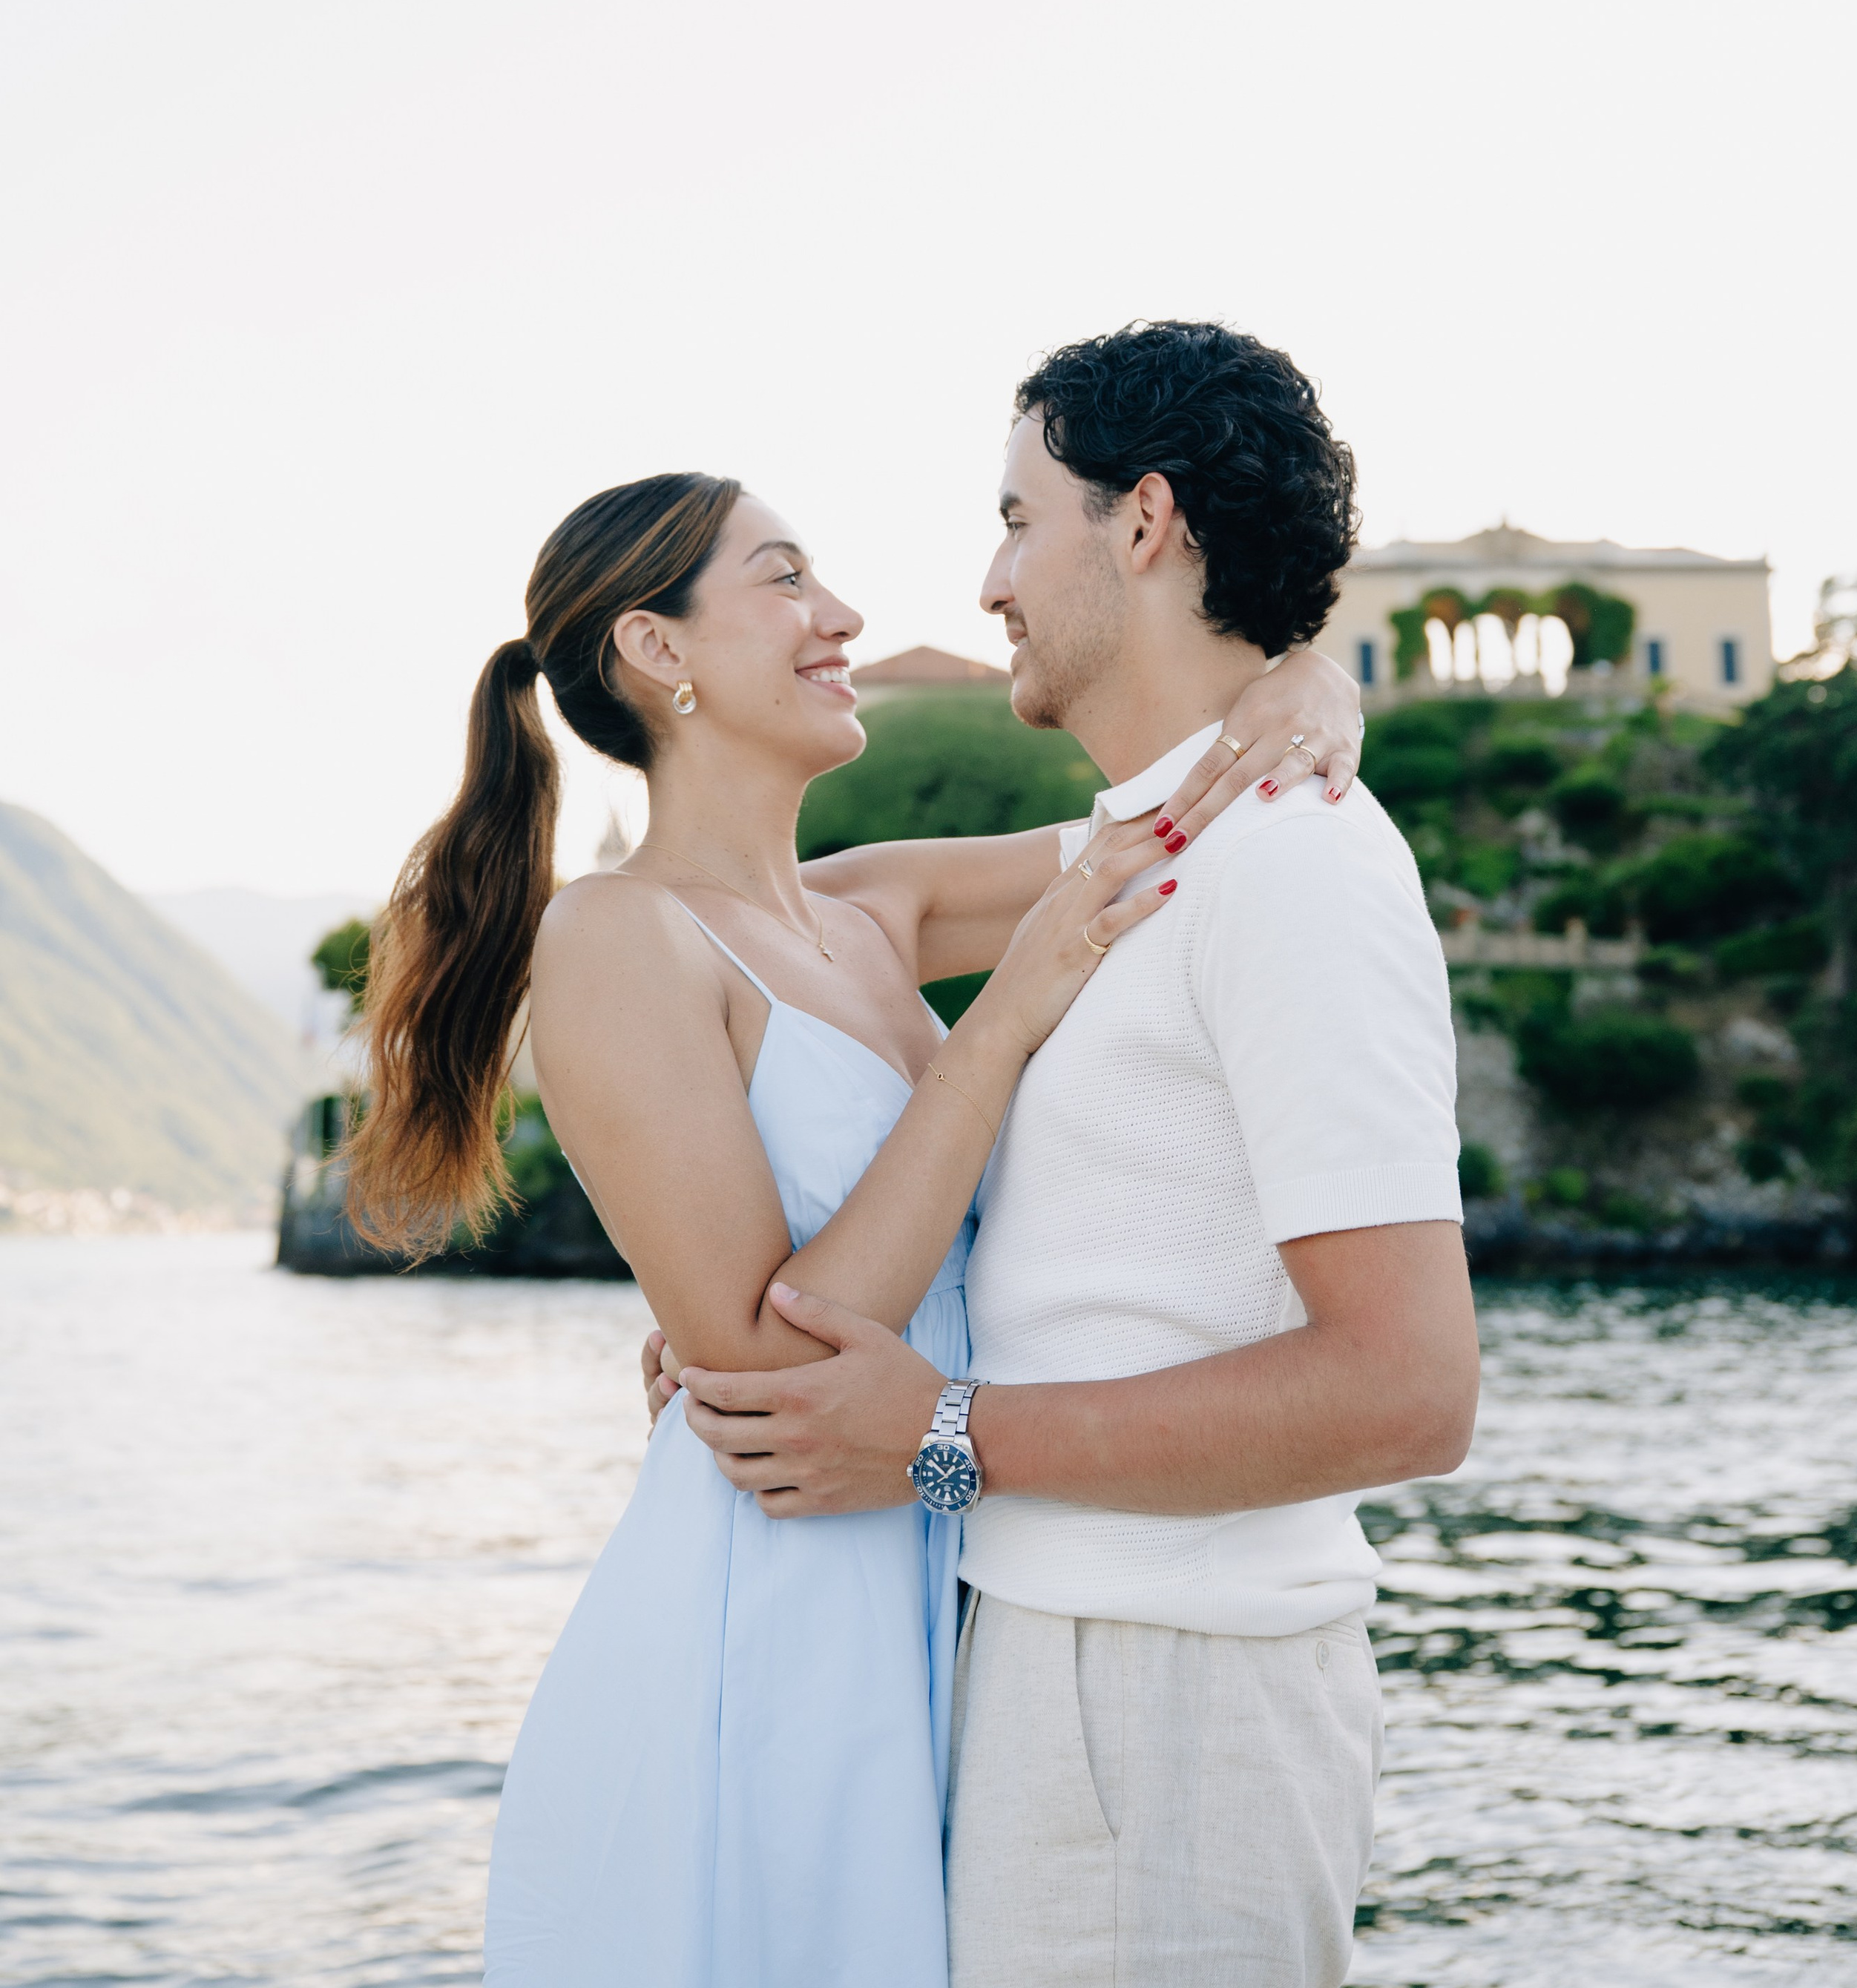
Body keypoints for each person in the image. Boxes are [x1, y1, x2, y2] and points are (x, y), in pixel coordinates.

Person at [343, 458, 1364, 1988]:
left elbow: (1167, 833)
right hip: (772, 1613)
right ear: (658, 650)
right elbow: (768, 1353)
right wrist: (996, 1023)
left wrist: (1308, 683)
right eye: (783, 579)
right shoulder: (615, 936)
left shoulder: (868, 909)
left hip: (940, 1575)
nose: (843, 616)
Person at [660, 321, 1480, 1988]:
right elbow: (828, 925)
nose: (986, 579)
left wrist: (936, 1437)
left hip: (1167, 1690)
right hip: (1069, 1660)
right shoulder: (1167, 839)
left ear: (1144, 521)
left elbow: (1409, 1388)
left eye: (1019, 516)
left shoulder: (1293, 862)